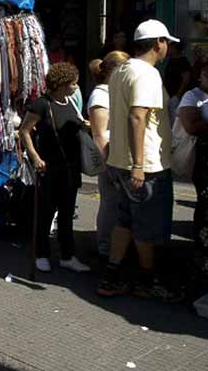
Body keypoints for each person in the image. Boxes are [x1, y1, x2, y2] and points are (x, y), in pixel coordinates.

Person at [98, 19, 180, 301]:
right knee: (146, 227)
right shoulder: (147, 73)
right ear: (158, 42)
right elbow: (137, 116)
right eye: (166, 42)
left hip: (123, 162)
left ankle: (111, 276)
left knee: (125, 221)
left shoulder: (121, 71)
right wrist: (139, 165)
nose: (167, 47)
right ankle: (148, 281)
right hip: (145, 167)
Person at [19, 63, 92, 274]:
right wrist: (35, 157)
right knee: (46, 213)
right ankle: (41, 253)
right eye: (73, 83)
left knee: (67, 214)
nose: (76, 87)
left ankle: (68, 256)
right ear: (61, 84)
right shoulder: (42, 105)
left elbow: (77, 125)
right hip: (49, 168)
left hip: (71, 167)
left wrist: (85, 126)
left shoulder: (70, 102)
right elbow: (24, 131)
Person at [87, 51, 131, 262]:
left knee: (118, 203)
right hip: (110, 159)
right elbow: (99, 135)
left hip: (121, 157)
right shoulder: (100, 96)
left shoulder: (114, 93)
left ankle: (113, 243)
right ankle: (104, 244)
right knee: (110, 203)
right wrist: (108, 165)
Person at [176, 65, 208, 248]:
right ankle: (203, 244)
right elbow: (191, 126)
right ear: (199, 77)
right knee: (207, 199)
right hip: (205, 156)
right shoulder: (192, 96)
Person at [164, 41, 192, 123]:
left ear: (176, 48)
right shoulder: (171, 61)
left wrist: (178, 95)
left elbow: (186, 79)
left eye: (171, 47)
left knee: (174, 120)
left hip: (176, 97)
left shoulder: (183, 62)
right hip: (169, 96)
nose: (168, 49)